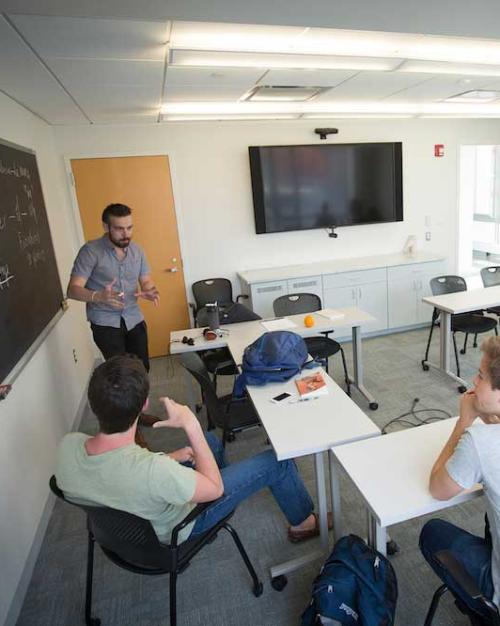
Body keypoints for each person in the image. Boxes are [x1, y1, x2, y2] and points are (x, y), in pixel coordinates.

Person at [55, 355, 324, 545]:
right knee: (277, 461)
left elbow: (121, 470)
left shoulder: (69, 446)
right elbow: (211, 489)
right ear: (144, 405)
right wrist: (190, 424)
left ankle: (220, 480)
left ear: (93, 404)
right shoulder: (155, 471)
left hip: (127, 525)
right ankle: (304, 524)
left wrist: (173, 457)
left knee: (210, 441)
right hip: (180, 528)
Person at [420, 335, 500, 622]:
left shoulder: (482, 441)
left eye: (480, 376)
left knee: (432, 532)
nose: (473, 382)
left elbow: (438, 488)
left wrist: (464, 423)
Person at [67, 203, 159, 435]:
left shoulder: (137, 251)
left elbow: (146, 280)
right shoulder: (91, 251)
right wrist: (98, 295)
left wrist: (150, 290)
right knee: (119, 378)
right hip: (105, 322)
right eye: (119, 229)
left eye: (129, 228)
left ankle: (137, 415)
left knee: (141, 369)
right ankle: (127, 430)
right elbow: (73, 290)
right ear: (106, 226)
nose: (126, 234)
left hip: (133, 317)